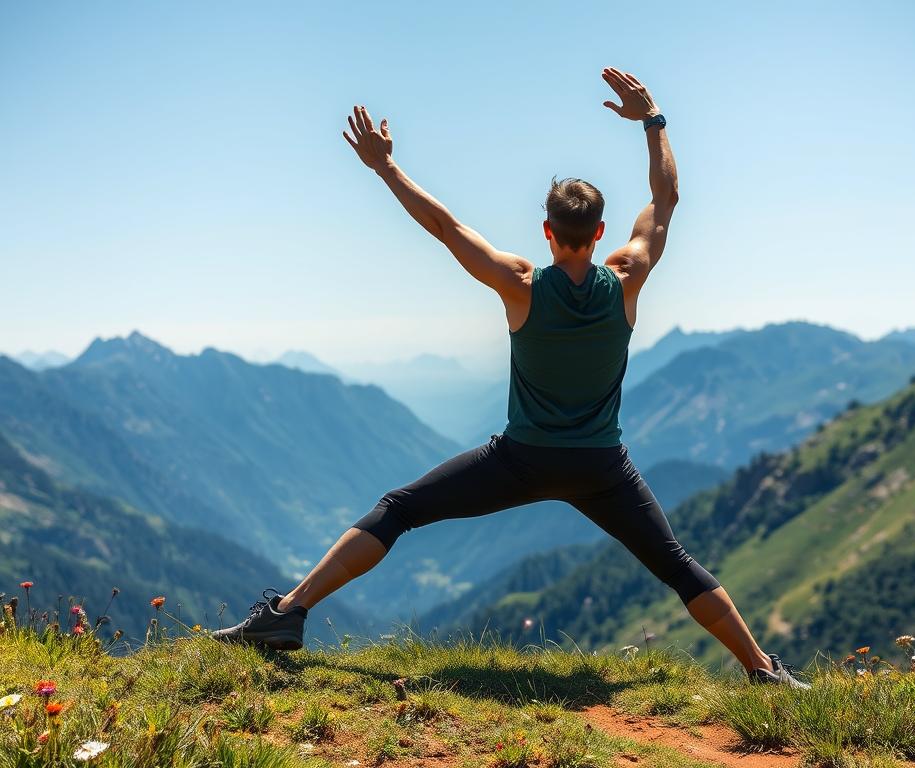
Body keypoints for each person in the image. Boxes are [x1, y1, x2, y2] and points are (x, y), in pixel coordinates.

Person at [213, 67, 808, 689]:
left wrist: (386, 169)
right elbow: (665, 201)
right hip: (602, 465)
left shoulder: (520, 285)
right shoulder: (627, 276)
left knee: (398, 509)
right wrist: (653, 119)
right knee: (678, 564)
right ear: (600, 233)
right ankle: (764, 671)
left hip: (521, 458)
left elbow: (445, 228)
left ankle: (287, 614)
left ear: (548, 232)